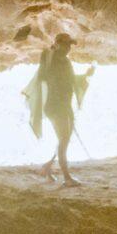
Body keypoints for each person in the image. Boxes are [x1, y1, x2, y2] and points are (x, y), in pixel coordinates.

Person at [22, 33, 94, 187]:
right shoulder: (49, 58)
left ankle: (47, 168)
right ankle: (67, 178)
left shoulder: (66, 62)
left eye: (70, 45)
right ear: (58, 43)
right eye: (66, 44)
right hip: (55, 106)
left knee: (64, 138)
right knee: (63, 139)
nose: (68, 48)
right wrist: (52, 51)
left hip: (65, 105)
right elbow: (44, 75)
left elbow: (71, 80)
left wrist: (85, 76)